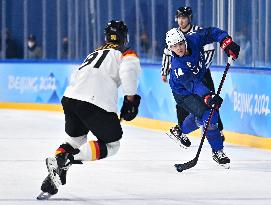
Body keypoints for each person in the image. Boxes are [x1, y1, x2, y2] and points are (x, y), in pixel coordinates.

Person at [37, 20, 141, 200]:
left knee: (72, 142)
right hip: (95, 100)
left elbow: (76, 75)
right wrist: (130, 99)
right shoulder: (125, 52)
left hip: (70, 97)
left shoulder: (95, 52)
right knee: (112, 144)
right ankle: (66, 160)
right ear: (125, 37)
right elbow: (128, 71)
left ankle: (52, 180)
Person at [165, 26, 239, 167]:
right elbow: (193, 85)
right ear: (170, 48)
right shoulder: (178, 68)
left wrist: (226, 41)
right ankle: (217, 151)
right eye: (174, 46)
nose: (179, 48)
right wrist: (208, 96)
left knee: (207, 115)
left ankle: (179, 130)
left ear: (184, 40)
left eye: (180, 43)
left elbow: (211, 32)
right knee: (209, 115)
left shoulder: (193, 39)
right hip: (184, 93)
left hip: (199, 80)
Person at [161, 7, 225, 148]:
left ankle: (214, 128)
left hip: (200, 73)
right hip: (186, 80)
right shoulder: (173, 39)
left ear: (189, 18)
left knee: (212, 104)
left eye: (184, 17)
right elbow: (167, 55)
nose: (181, 20)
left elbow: (210, 45)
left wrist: (225, 41)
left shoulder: (195, 34)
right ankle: (184, 129)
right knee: (199, 105)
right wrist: (164, 71)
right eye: (179, 17)